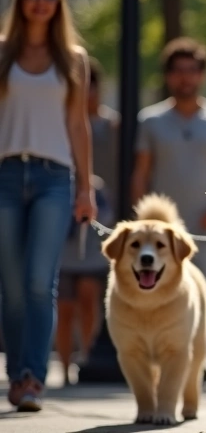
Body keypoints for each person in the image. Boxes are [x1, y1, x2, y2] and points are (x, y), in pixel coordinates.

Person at [0, 0, 97, 411]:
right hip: (4, 174)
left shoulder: (71, 59)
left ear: (58, 2)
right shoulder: (2, 52)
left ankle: (32, 378)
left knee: (41, 281)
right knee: (13, 284)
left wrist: (85, 189)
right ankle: (14, 373)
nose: (40, 1)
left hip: (54, 179)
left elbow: (78, 126)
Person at [131, 37, 206, 373]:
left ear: (202, 75)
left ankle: (196, 363)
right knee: (156, 292)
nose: (185, 78)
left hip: (205, 226)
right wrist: (139, 221)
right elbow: (141, 173)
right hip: (161, 230)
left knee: (200, 293)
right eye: (178, 71)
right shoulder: (150, 120)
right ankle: (159, 361)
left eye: (192, 71)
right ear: (168, 76)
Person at [55, 56, 118, 379]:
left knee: (90, 296)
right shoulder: (61, 125)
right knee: (64, 303)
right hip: (64, 220)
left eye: (92, 83)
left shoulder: (113, 126)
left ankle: (88, 356)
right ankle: (64, 367)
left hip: (100, 222)